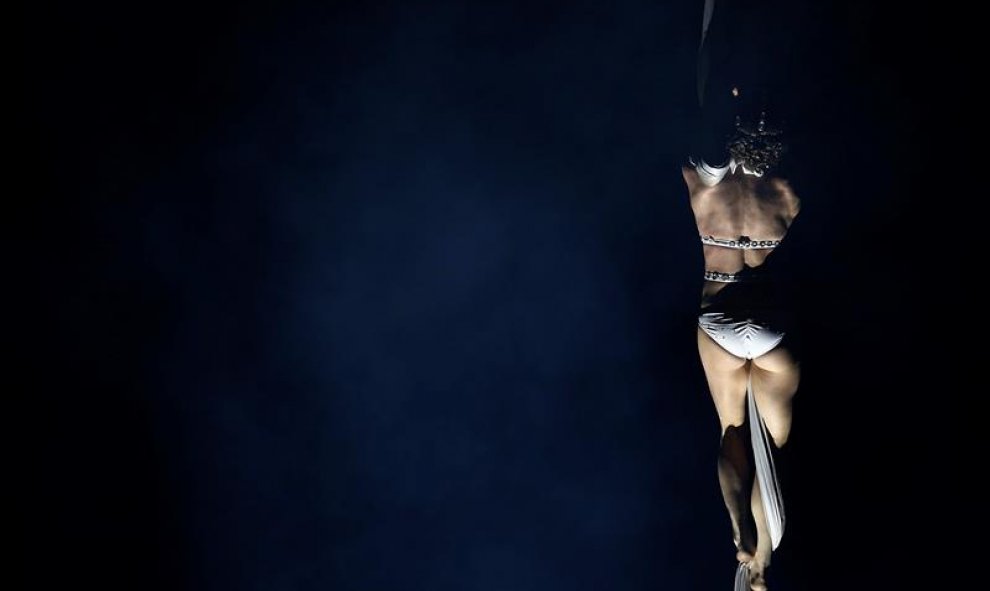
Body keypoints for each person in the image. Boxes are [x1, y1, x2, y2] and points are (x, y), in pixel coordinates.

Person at [683, 1, 802, 589]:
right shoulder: (787, 192)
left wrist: (713, 30)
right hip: (769, 314)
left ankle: (741, 534)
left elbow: (707, 112)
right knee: (770, 448)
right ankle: (763, 561)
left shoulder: (703, 186)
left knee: (733, 432)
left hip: (719, 312)